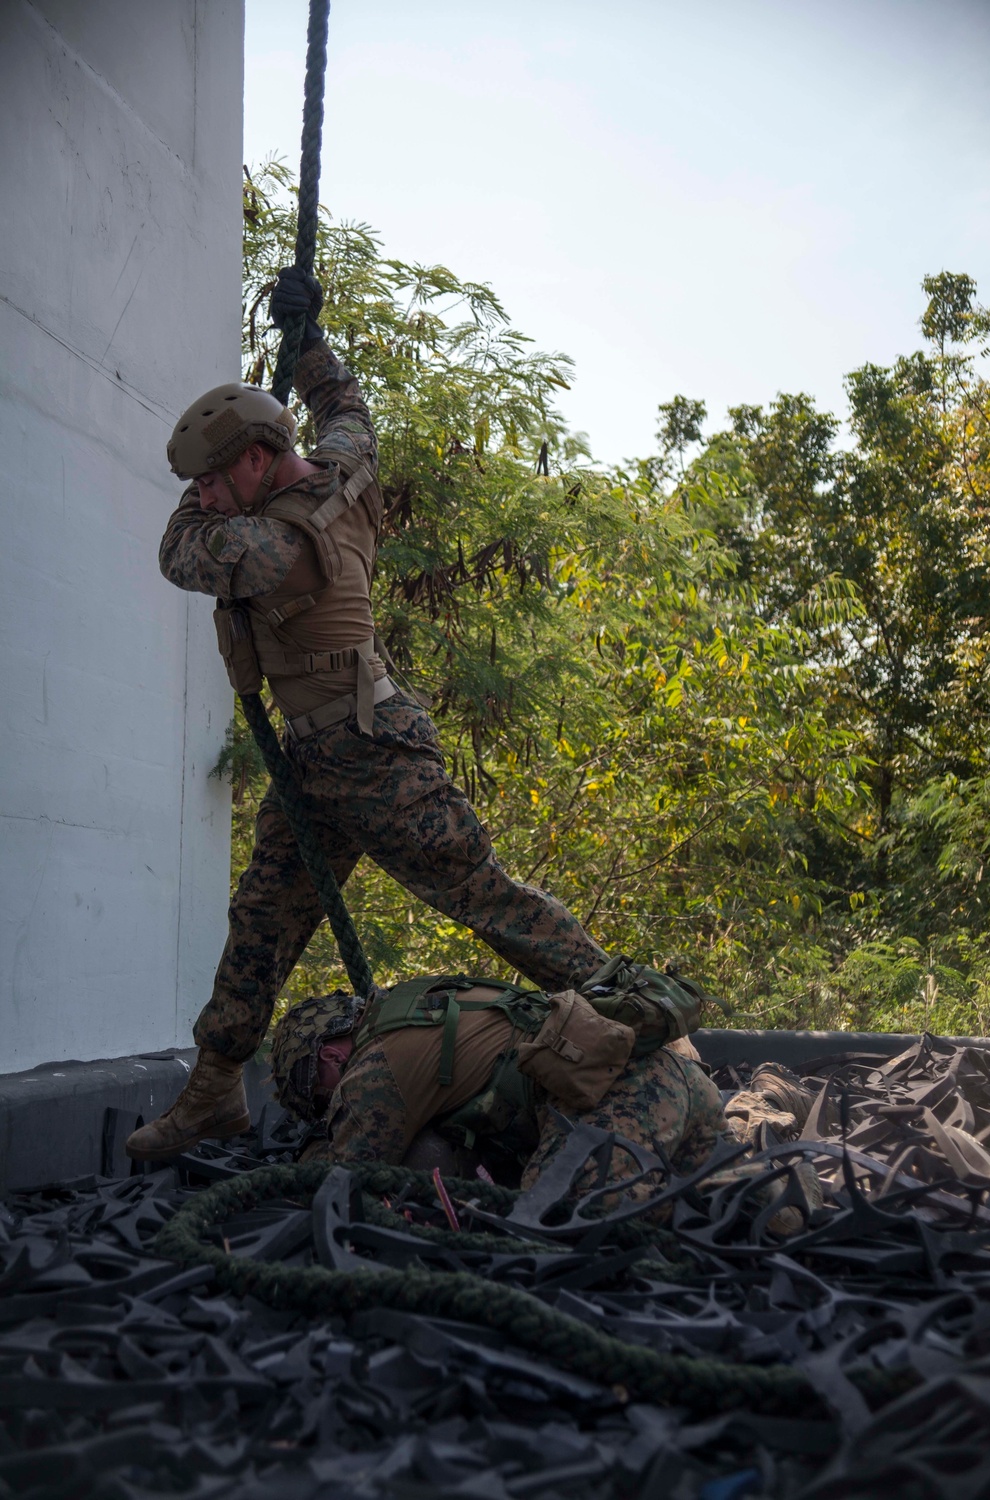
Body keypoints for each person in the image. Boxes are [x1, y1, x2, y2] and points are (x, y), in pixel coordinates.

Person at [128, 269, 695, 1164]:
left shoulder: (272, 545)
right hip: (317, 764)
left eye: (208, 478)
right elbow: (345, 405)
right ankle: (210, 1098)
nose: (198, 495)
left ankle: (650, 1028)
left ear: (253, 462)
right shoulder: (344, 470)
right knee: (260, 928)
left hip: (373, 755)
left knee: (487, 898)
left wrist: (208, 498)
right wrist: (307, 339)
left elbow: (176, 554)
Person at [269, 976, 728, 1204]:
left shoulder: (376, 1068)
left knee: (556, 1225)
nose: (327, 1105)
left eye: (316, 1095)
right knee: (732, 1205)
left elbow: (343, 1179)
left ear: (327, 1058)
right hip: (674, 1078)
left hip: (623, 1102)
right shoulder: (422, 1002)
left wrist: (312, 1149)